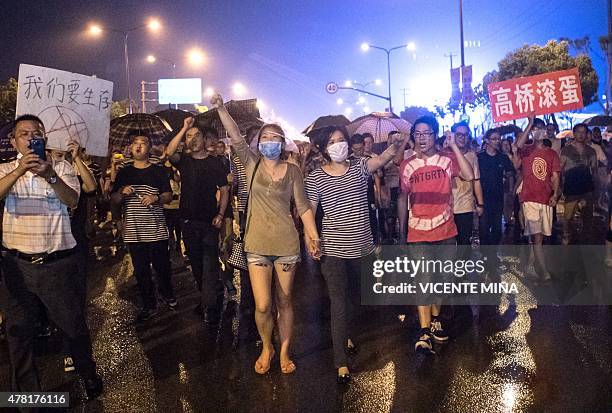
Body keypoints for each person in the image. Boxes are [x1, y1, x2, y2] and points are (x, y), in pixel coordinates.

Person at [213, 93, 320, 375]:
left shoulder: (294, 171)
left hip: (286, 244)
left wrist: (313, 236)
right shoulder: (251, 164)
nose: (270, 141)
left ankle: (283, 350)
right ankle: (266, 345)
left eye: (275, 137)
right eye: (266, 137)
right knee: (262, 305)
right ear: (259, 142)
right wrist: (221, 108)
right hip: (256, 245)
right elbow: (235, 137)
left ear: (282, 143)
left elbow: (304, 207)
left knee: (284, 301)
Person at [0, 114, 102, 398]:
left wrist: (48, 174)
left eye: (37, 133)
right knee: (18, 334)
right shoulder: (5, 169)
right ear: (14, 141)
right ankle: (27, 397)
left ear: (43, 138)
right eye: (24, 134)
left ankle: (87, 371)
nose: (30, 138)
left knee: (72, 325)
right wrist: (20, 171)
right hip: (16, 267)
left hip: (56, 265)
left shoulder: (62, 166)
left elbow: (73, 200)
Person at [305, 126, 404, 383]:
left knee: (358, 296)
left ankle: (345, 332)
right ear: (324, 148)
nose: (339, 145)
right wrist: (312, 238)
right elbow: (310, 210)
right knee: (338, 302)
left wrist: (394, 146)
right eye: (332, 142)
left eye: (342, 140)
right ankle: (341, 363)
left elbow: (382, 160)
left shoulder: (360, 166)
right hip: (333, 249)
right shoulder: (315, 177)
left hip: (362, 247)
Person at [399, 116, 474, 355]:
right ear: (414, 137)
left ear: (435, 135)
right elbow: (404, 197)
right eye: (418, 133)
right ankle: (423, 331)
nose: (422, 138)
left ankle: (435, 319)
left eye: (427, 133)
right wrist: (402, 229)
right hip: (418, 231)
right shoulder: (407, 165)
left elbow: (469, 175)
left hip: (445, 230)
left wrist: (452, 145)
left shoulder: (447, 159)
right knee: (423, 279)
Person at [165, 117, 230, 324]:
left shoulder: (215, 163)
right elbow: (169, 153)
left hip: (209, 221)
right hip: (187, 221)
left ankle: (209, 305)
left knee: (209, 263)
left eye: (196, 135)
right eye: (189, 137)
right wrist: (183, 127)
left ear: (205, 139)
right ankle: (209, 295)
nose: (192, 139)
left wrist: (220, 214)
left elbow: (225, 189)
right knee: (197, 264)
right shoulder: (184, 161)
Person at [111, 135, 176, 321]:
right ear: (131, 148)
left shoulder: (158, 171)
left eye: (143, 143)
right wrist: (121, 194)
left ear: (149, 148)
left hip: (156, 229)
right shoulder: (124, 172)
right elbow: (114, 200)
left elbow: (168, 196)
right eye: (135, 143)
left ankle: (168, 294)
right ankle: (149, 304)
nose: (138, 146)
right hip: (134, 231)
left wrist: (156, 198)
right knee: (141, 271)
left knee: (162, 267)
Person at [515, 117, 561, 282]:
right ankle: (544, 271)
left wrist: (555, 195)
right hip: (529, 199)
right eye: (534, 129)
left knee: (541, 236)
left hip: (546, 199)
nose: (537, 131)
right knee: (538, 237)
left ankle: (530, 267)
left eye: (539, 128)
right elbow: (517, 146)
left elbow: (555, 176)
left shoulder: (552, 154)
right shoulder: (526, 150)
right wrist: (529, 122)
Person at [478, 129, 515, 251]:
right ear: (487, 140)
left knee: (497, 229)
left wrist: (510, 190)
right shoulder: (479, 157)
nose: (497, 141)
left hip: (498, 198)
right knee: (483, 229)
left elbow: (510, 173)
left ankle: (492, 254)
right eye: (494, 139)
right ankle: (484, 255)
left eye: (498, 138)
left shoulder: (503, 158)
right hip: (483, 199)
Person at [449, 122, 484, 255]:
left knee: (464, 243)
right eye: (458, 135)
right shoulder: (444, 154)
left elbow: (476, 180)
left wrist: (480, 204)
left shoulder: (472, 155)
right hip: (448, 207)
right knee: (449, 244)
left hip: (466, 205)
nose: (462, 138)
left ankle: (460, 274)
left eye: (465, 135)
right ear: (453, 136)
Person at [560, 123, 597, 244]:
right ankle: (566, 236)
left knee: (587, 217)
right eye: (579, 132)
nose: (581, 135)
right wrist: (559, 188)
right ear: (574, 134)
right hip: (571, 188)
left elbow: (594, 171)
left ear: (587, 134)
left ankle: (586, 239)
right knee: (568, 216)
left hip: (587, 188)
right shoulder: (566, 150)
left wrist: (596, 189)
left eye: (584, 132)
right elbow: (560, 169)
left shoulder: (591, 151)